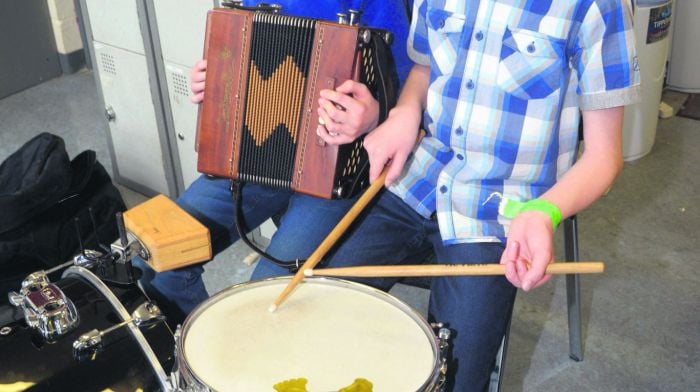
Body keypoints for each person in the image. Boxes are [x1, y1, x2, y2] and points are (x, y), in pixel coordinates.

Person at [314, 0, 641, 390]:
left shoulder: (599, 7)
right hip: (418, 179)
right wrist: (405, 111)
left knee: (452, 374)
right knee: (322, 308)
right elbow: (425, 66)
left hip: (501, 212)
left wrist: (544, 213)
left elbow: (605, 158)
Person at [135, 0, 413, 324]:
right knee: (155, 260)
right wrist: (215, 78)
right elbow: (243, 52)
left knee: (269, 301)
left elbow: (414, 85)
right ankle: (198, 361)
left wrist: (376, 115)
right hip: (254, 160)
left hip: (336, 171)